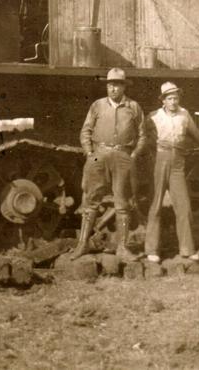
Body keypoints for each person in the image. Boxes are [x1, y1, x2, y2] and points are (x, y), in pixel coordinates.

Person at [72, 67, 146, 260]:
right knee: (91, 200)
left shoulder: (133, 107)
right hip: (99, 154)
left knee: (123, 203)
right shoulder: (97, 106)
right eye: (110, 85)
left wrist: (134, 155)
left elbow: (143, 135)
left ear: (123, 87)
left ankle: (122, 248)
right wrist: (90, 153)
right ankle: (82, 245)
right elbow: (86, 131)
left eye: (117, 85)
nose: (113, 89)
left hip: (123, 155)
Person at [144, 81, 199, 263]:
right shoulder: (153, 117)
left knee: (184, 206)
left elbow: (196, 134)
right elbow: (143, 137)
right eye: (169, 98)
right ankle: (151, 250)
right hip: (160, 160)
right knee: (155, 205)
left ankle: (187, 249)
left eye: (176, 97)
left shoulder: (184, 115)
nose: (173, 101)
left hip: (178, 162)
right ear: (163, 101)